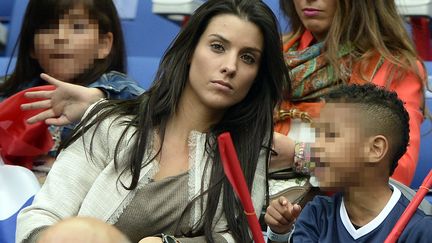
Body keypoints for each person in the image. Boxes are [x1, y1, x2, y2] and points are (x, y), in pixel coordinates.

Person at [16, 0, 288, 242]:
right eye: (218, 47)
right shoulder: (111, 124)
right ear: (191, 50)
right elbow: (41, 217)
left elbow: (236, 236)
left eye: (247, 58)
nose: (230, 66)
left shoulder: (247, 146)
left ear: (256, 76)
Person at [271, 0, 426, 186]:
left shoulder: (394, 68)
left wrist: (301, 156)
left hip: (337, 211)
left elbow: (394, 175)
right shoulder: (269, 54)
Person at [265, 84, 432, 242]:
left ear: (375, 149)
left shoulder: (419, 230)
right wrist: (279, 234)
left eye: (330, 135)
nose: (315, 146)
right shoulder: (317, 214)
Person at [0, 0, 143, 175]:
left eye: (77, 27)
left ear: (104, 44)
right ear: (32, 47)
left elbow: (148, 106)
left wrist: (97, 100)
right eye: (48, 27)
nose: (60, 36)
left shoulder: (114, 86)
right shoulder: (9, 91)